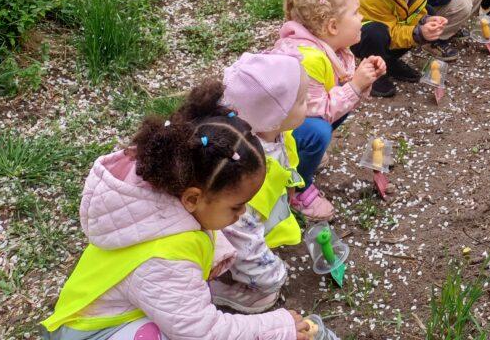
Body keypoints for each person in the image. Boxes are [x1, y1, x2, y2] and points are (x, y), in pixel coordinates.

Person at [40, 81, 311, 340]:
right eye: (236, 206)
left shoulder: (162, 195)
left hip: (104, 313)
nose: (242, 214)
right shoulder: (164, 261)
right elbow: (202, 333)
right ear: (193, 198)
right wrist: (276, 327)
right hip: (90, 333)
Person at [272, 0, 387, 222]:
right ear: (333, 26)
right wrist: (355, 85)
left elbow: (340, 94)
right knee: (318, 132)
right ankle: (297, 187)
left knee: (336, 107)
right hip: (273, 137)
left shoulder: (331, 48)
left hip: (292, 123)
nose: (362, 17)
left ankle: (305, 152)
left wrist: (363, 80)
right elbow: (318, 111)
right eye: (356, 13)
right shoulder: (307, 59)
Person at [212, 53, 309, 314]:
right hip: (232, 244)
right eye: (301, 100)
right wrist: (270, 275)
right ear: (274, 118)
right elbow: (238, 232)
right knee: (263, 288)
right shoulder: (248, 171)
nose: (309, 102)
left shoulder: (273, 134)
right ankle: (226, 285)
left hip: (254, 226)